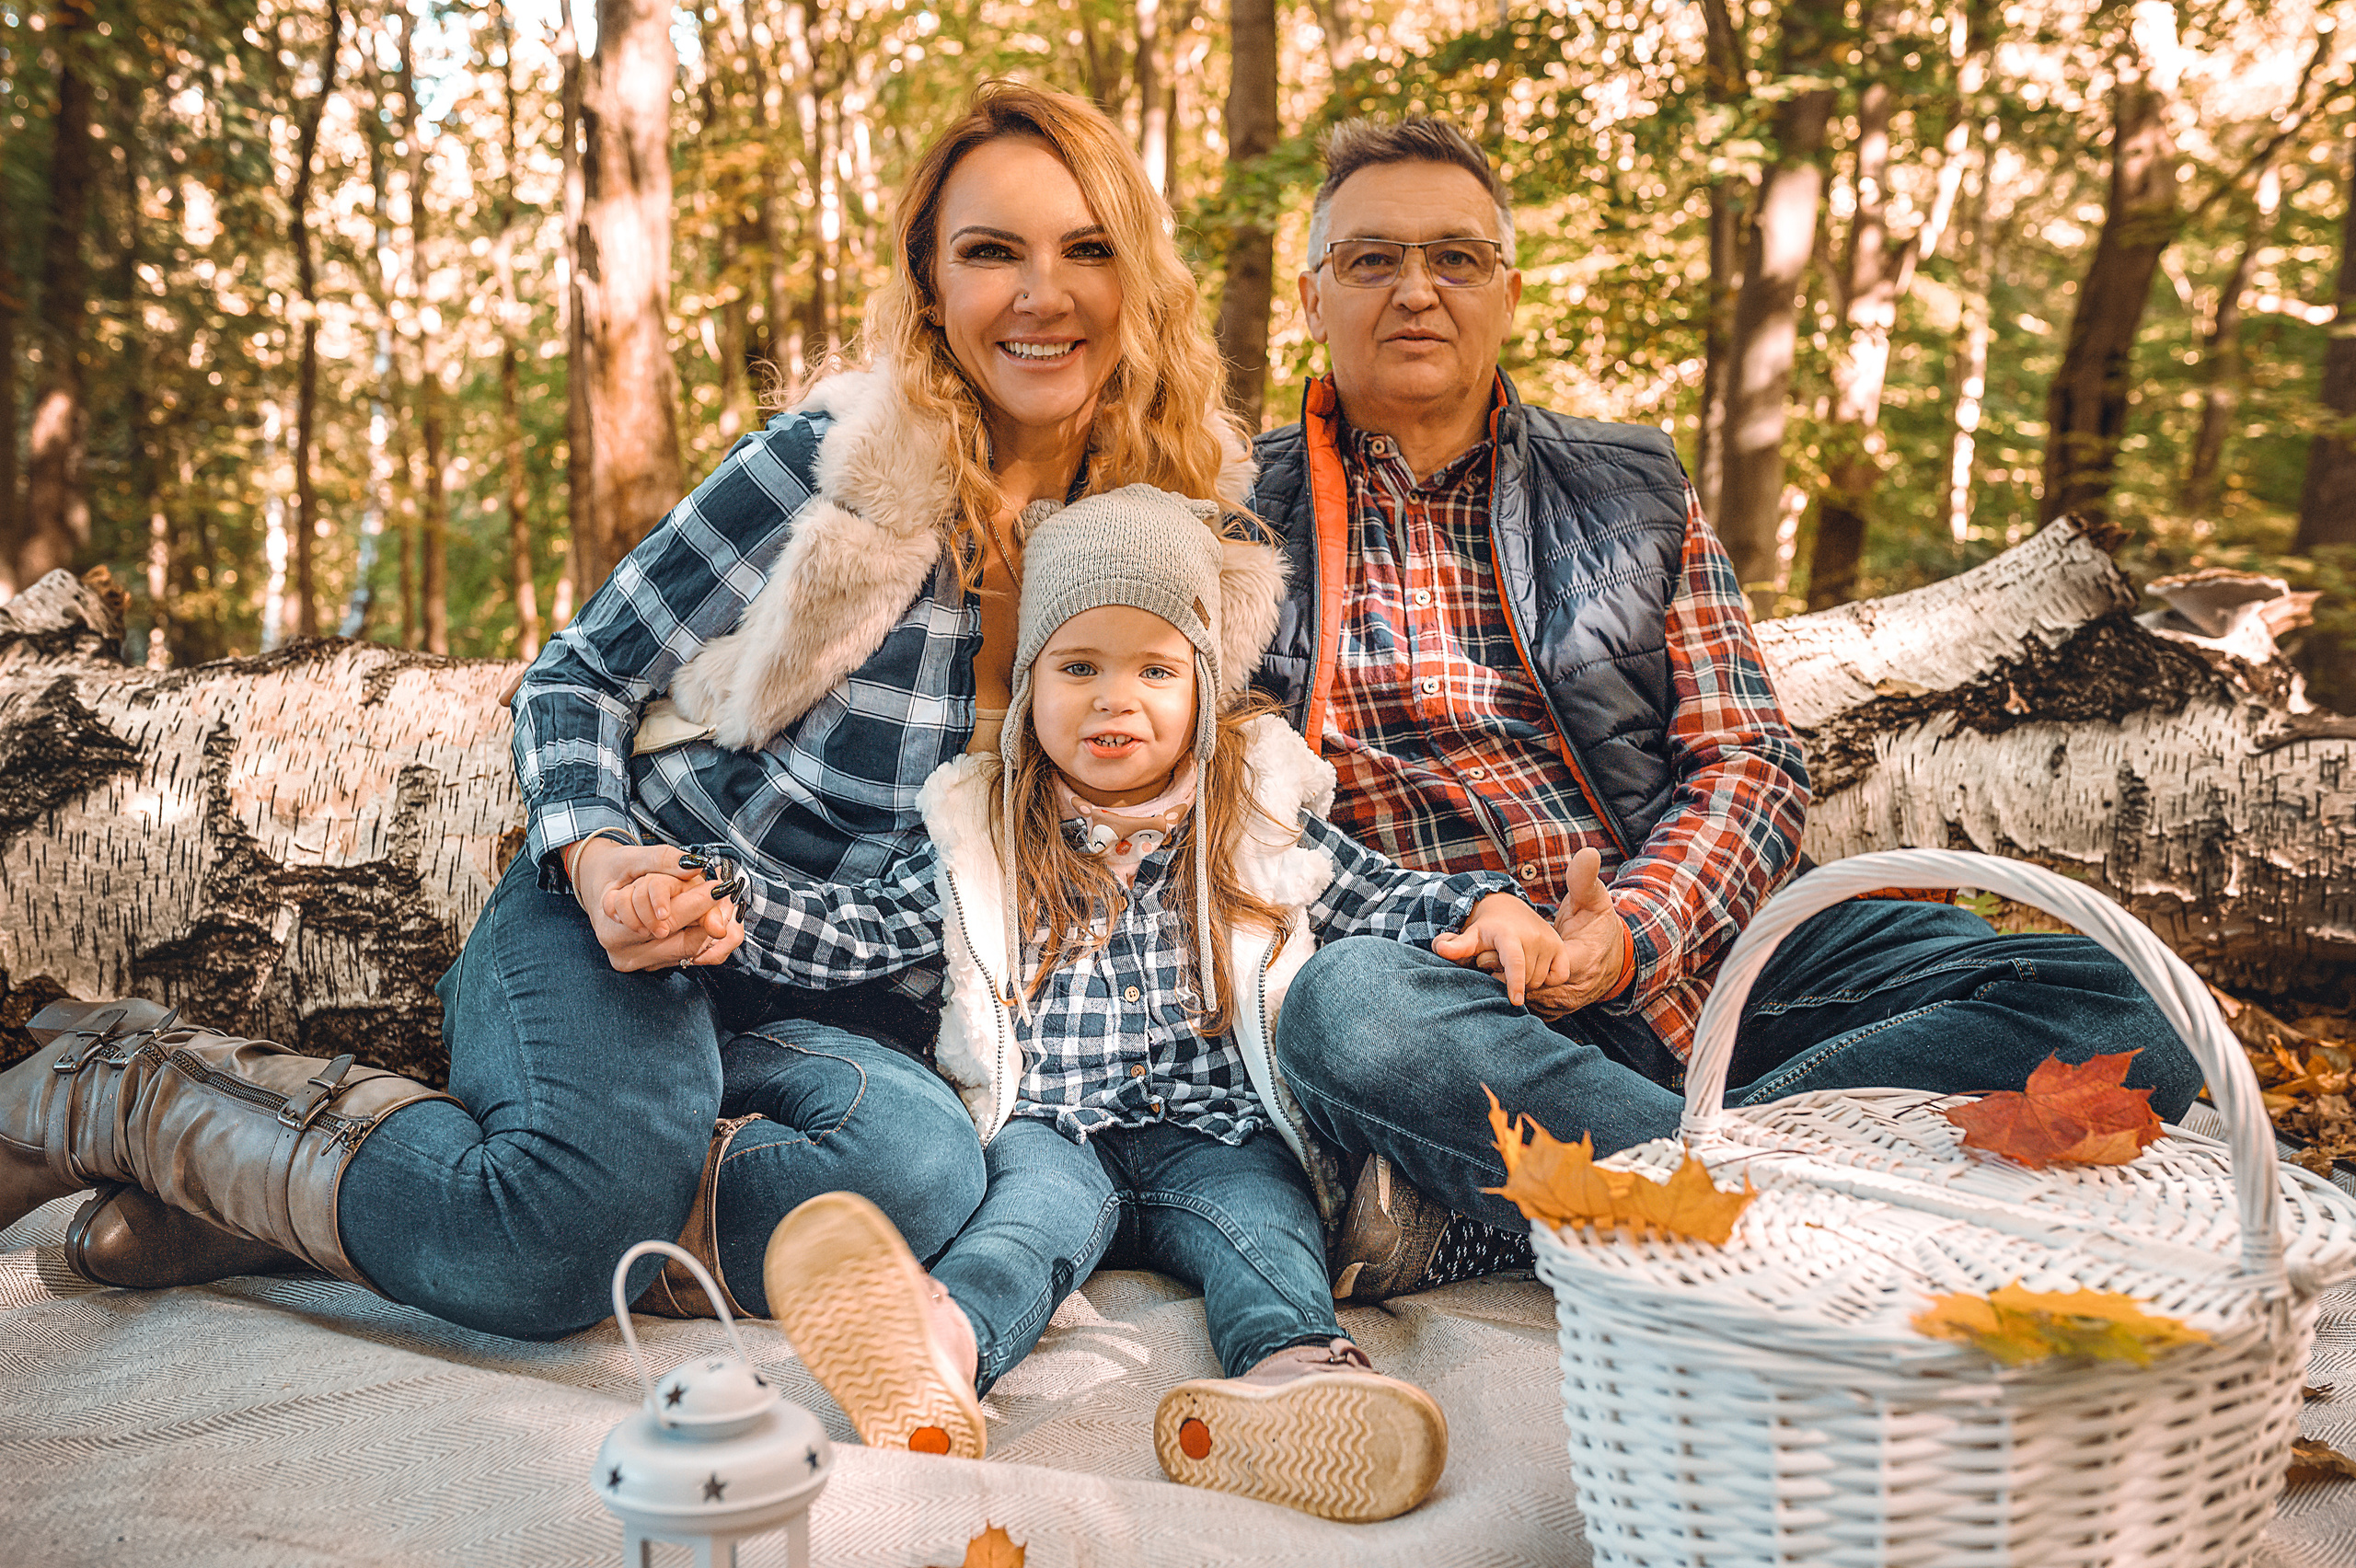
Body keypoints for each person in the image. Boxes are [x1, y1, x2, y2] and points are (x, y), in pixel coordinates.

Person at [0, 82, 1256, 1339]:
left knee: (923, 1176)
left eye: (1087, 249)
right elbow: (578, 676)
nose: (1043, 295)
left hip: (839, 999)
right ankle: (123, 1086)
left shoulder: (1167, 541)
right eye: (991, 252)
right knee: (557, 1245)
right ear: (930, 283)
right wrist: (599, 860)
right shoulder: (825, 475)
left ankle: (346, 1198)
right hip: (632, 926)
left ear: (1138, 274)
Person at [1246, 116, 2206, 1302]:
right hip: (1461, 991)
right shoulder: (1234, 523)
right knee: (1345, 1012)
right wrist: (1492, 928)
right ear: (1312, 296)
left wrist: (1629, 933)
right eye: (1371, 260)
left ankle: (1675, 1192)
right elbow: (1231, 814)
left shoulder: (1631, 490)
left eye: (1455, 258)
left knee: (2127, 1004)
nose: (1415, 291)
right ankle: (1799, 1209)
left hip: (1705, 958)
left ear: (1507, 290)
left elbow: (1749, 760)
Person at [709, 486, 1559, 1520]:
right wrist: (730, 901)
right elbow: (863, 928)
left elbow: (1378, 893)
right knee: (1018, 1231)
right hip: (1054, 1129)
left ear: (1202, 685)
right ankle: (938, 1356)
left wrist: (1485, 906)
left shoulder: (1254, 811)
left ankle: (1295, 1377)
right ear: (1029, 686)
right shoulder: (983, 827)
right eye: (1079, 668)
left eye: (1155, 670)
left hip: (1219, 1133)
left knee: (1265, 1233)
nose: (1116, 700)